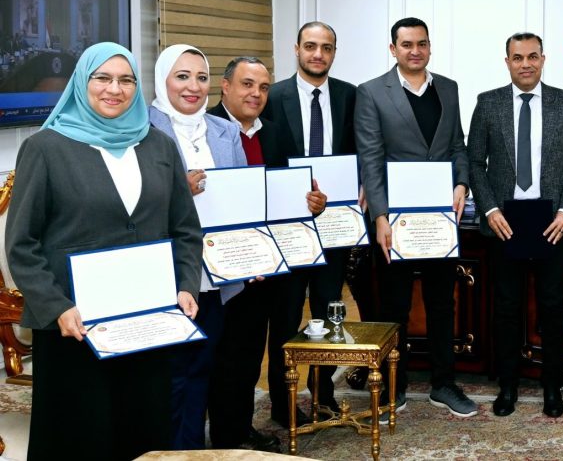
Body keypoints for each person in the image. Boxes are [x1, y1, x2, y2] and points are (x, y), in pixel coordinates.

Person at [6, 42, 201, 459]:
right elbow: (21, 244)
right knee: (80, 438)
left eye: (126, 80)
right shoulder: (45, 148)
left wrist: (187, 284)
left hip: (147, 323)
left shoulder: (160, 146)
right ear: (82, 82)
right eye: (103, 78)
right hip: (73, 328)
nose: (115, 89)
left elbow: (185, 228)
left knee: (143, 433)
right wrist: (56, 307)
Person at [355, 17, 478, 418]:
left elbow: (457, 145)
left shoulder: (449, 88)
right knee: (395, 306)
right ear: (393, 49)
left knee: (442, 304)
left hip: (440, 219)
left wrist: (462, 183)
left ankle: (444, 384)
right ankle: (396, 386)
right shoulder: (372, 92)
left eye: (421, 43)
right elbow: (371, 158)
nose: (415, 50)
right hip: (396, 220)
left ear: (429, 46)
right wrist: (380, 217)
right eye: (406, 44)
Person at [206, 56, 326, 451]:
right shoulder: (205, 129)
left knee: (250, 352)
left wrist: (312, 202)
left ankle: (240, 429)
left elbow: (293, 189)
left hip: (269, 263)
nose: (255, 94)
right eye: (247, 84)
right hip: (222, 266)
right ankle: (225, 436)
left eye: (262, 87)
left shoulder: (274, 132)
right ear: (225, 86)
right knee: (225, 354)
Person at [467, 32, 563, 418]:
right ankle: (508, 386)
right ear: (507, 62)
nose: (526, 64)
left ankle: (552, 386)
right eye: (517, 57)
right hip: (505, 221)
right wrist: (489, 210)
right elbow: (475, 163)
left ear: (543, 59)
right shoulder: (488, 103)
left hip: (552, 221)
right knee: (506, 308)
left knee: (551, 307)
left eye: (532, 56)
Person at [147, 44, 246, 450]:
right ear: (162, 80)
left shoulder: (226, 131)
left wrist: (253, 253)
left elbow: (242, 199)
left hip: (217, 274)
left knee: (203, 366)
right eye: (182, 76)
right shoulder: (141, 130)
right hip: (167, 272)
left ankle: (192, 451)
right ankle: (163, 452)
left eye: (201, 77)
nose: (193, 86)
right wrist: (177, 191)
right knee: (170, 373)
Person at [261, 21, 357, 425]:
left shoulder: (350, 95)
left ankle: (323, 394)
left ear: (334, 52)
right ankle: (283, 404)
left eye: (327, 47)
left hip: (334, 226)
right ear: (296, 49)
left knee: (329, 312)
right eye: (311, 46)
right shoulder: (272, 96)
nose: (319, 54)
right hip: (288, 228)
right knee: (285, 317)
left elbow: (358, 151)